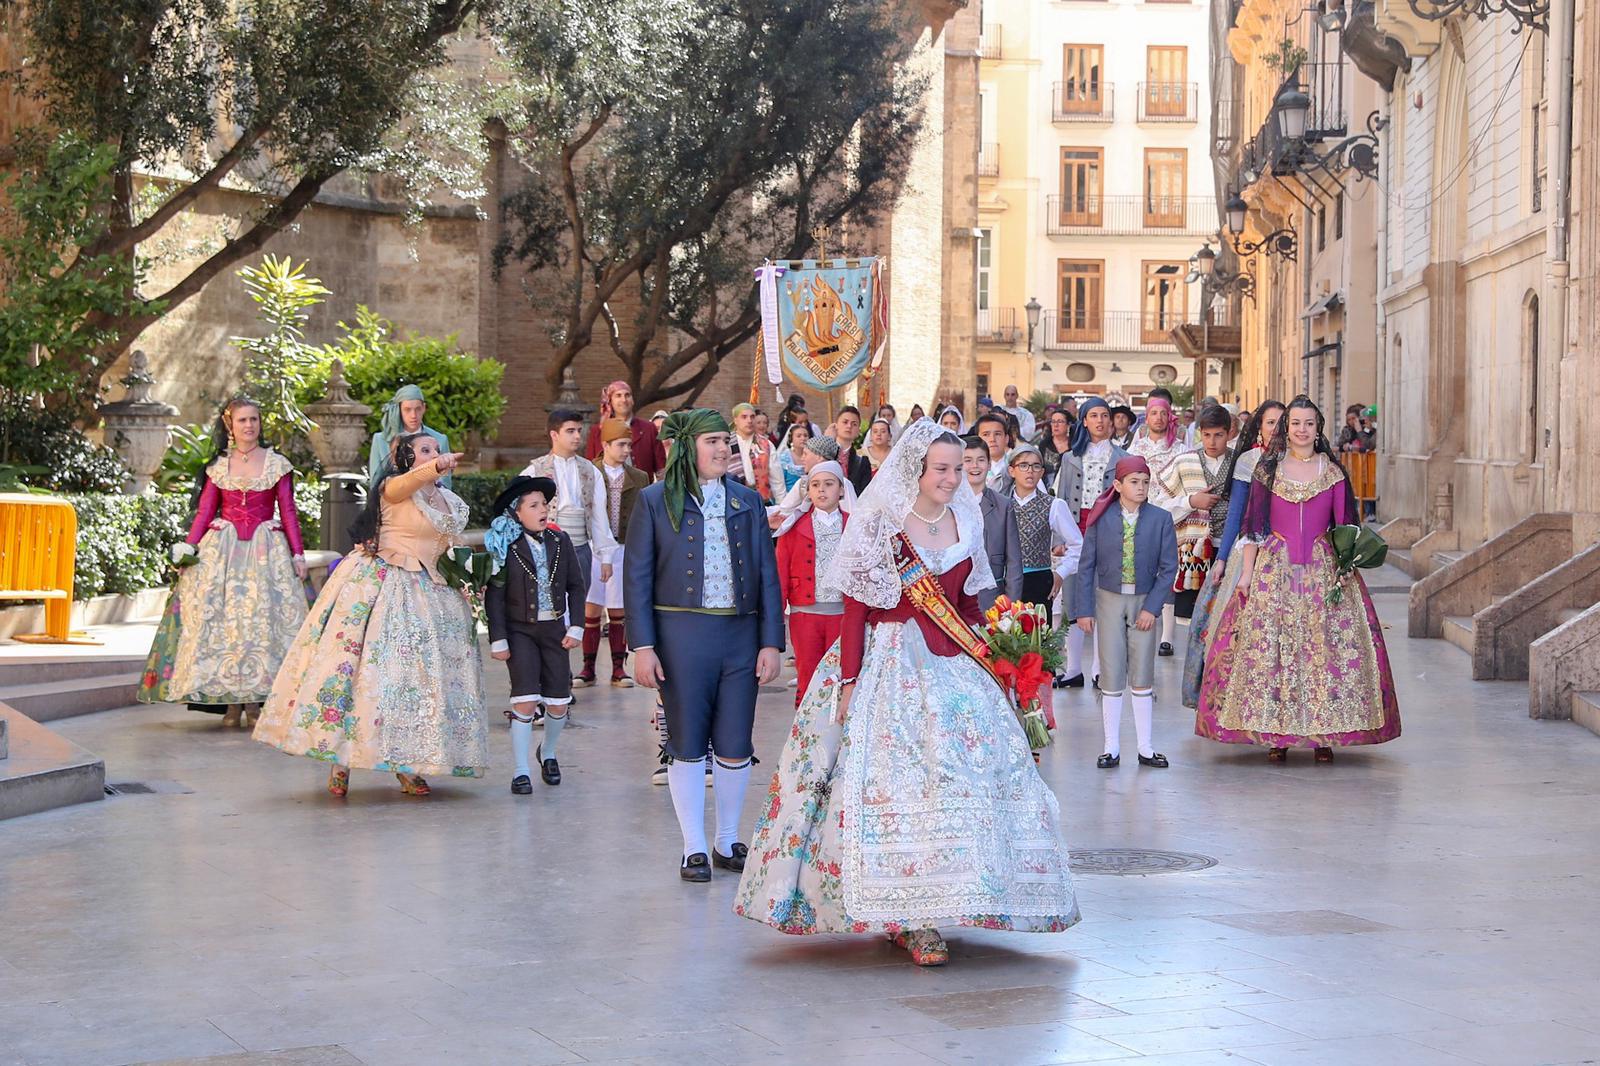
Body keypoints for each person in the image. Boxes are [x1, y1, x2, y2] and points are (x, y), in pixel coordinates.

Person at [733, 419, 1079, 966]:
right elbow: (855, 610)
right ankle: (906, 916)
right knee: (894, 785)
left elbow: (966, 605)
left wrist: (1000, 654)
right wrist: (848, 681)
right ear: (914, 471)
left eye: (956, 468)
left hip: (952, 665)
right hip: (886, 665)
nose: (951, 478)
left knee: (963, 779)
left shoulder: (964, 520)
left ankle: (957, 891)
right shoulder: (879, 524)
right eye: (940, 469)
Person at [255, 435, 485, 796]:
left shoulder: (444, 498)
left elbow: (449, 543)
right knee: (360, 673)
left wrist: (469, 576)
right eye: (425, 451)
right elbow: (405, 485)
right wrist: (433, 468)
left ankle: (407, 764)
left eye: (436, 450)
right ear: (407, 458)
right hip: (385, 585)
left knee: (414, 682)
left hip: (430, 592)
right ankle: (340, 760)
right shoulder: (394, 486)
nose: (434, 455)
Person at [625, 409, 784, 883]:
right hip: (679, 636)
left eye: (726, 443)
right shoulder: (655, 501)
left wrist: (771, 642)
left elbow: (766, 576)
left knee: (736, 742)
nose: (722, 450)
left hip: (740, 636)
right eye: (713, 441)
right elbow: (638, 578)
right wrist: (642, 646)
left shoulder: (748, 502)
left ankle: (727, 839)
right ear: (688, 447)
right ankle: (693, 845)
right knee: (688, 742)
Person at [1196, 396, 1401, 762]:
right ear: (1285, 429)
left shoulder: (1334, 473)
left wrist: (1347, 566)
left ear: (1317, 428)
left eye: (1309, 423)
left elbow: (1346, 528)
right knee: (1276, 648)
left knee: (1324, 648)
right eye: (1295, 423)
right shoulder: (1267, 472)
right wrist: (1245, 575)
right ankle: (1278, 734)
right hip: (1276, 569)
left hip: (1324, 569)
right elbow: (1254, 529)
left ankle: (1325, 735)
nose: (1302, 430)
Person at [139, 397, 308, 726]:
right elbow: (205, 511)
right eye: (243, 420)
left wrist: (298, 554)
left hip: (265, 550)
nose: (249, 425)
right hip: (223, 551)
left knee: (261, 625)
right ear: (230, 425)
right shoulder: (217, 465)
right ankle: (231, 704)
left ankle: (257, 701)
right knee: (224, 625)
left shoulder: (277, 464)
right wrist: (189, 549)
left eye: (254, 419)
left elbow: (288, 511)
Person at [1074, 456, 1179, 770]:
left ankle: (1145, 748)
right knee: (1111, 670)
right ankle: (1111, 747)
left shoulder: (1160, 519)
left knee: (1143, 672)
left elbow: (1168, 567)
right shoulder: (1100, 519)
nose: (1141, 487)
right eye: (1134, 481)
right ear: (1117, 485)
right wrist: (1084, 609)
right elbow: (1086, 566)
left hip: (1144, 601)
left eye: (1145, 482)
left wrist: (1152, 607)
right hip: (1108, 600)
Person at [1181, 400, 1283, 708]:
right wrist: (1223, 559)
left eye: (1282, 422)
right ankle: (1237, 698)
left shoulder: (1298, 461)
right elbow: (1238, 511)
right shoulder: (1248, 461)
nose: (1276, 429)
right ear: (1259, 428)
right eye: (1270, 423)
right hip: (1250, 550)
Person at [484, 476, 585, 790]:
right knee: (525, 700)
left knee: (558, 702)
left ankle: (549, 752)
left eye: (545, 504)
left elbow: (576, 587)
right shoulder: (506, 546)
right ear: (517, 513)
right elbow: (495, 595)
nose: (543, 509)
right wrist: (497, 637)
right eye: (534, 505)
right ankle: (520, 770)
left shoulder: (560, 541)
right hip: (519, 632)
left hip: (554, 629)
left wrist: (577, 625)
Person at [1052, 397, 1128, 688]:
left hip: (1107, 529)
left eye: (1104, 415)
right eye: (1093, 415)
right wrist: (1059, 538)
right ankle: (1073, 669)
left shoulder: (1122, 457)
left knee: (1102, 597)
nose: (1100, 421)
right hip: (1075, 528)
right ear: (1083, 421)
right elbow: (1060, 499)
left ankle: (1098, 668)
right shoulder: (1070, 458)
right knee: (1072, 598)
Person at [575, 420, 650, 688]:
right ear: (605, 445)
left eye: (629, 444)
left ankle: (619, 668)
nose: (626, 449)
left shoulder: (639, 477)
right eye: (620, 444)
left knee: (618, 608)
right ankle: (587, 668)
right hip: (594, 547)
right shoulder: (588, 471)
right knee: (591, 607)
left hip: (624, 548)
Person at [522, 409, 620, 603]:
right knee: (548, 605)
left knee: (577, 602)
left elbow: (599, 515)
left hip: (581, 547)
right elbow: (518, 511)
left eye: (579, 430)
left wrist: (606, 556)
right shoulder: (535, 470)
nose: (577, 436)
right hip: (546, 547)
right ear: (554, 434)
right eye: (570, 431)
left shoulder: (591, 471)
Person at [775, 460, 851, 704]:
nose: (821, 490)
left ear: (841, 489)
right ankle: (804, 734)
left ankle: (837, 734)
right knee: (808, 673)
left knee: (842, 675)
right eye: (815, 485)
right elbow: (781, 573)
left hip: (844, 615)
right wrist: (777, 619)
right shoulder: (794, 526)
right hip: (805, 614)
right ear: (807, 491)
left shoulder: (854, 525)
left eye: (829, 484)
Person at [1157, 405, 1233, 622]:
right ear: (1200, 433)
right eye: (1207, 435)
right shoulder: (1184, 462)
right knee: (1192, 621)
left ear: (1229, 433)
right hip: (1193, 551)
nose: (1212, 442)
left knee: (1225, 618)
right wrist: (1191, 501)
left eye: (1218, 435)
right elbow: (1159, 505)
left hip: (1229, 547)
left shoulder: (1239, 462)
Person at [1128, 395, 1191, 656]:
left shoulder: (1180, 449)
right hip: (1139, 517)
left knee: (1168, 574)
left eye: (1163, 413)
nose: (1158, 418)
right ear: (1147, 416)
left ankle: (1167, 637)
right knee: (1139, 571)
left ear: (1169, 417)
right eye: (1153, 413)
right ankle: (1138, 629)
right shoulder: (1136, 448)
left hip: (1172, 517)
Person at [1006, 444, 1081, 623]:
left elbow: (1078, 545)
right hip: (1006, 581)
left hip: (1038, 581)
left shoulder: (1053, 505)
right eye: (1023, 465)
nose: (1030, 471)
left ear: (1041, 472)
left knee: (1037, 642)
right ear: (1012, 470)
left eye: (1036, 466)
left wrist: (1061, 573)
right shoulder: (1001, 503)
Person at [963, 435, 1023, 612]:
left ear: (989, 464)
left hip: (991, 600)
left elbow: (1014, 562)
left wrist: (1011, 608)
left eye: (981, 460)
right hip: (954, 601)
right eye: (968, 460)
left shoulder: (1003, 506)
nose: (974, 466)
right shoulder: (947, 505)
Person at [367, 384, 451, 489]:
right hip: (393, 502)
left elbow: (446, 486)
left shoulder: (440, 440)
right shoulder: (381, 440)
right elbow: (375, 484)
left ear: (424, 408)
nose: (413, 415)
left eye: (418, 409)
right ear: (399, 410)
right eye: (407, 409)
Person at [584, 380, 667, 477]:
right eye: (618, 395)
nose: (624, 400)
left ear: (632, 400)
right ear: (610, 401)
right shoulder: (598, 431)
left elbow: (661, 468)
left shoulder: (648, 428)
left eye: (627, 395)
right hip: (606, 488)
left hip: (642, 489)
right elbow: (590, 466)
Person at [729, 402, 776, 503]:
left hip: (760, 499)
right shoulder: (726, 443)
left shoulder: (766, 444)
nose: (749, 420)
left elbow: (776, 478)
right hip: (733, 497)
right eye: (744, 417)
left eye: (752, 417)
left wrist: (781, 505)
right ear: (735, 420)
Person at [833, 406, 873, 494]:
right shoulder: (824, 454)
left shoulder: (862, 462)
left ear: (858, 431)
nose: (849, 426)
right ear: (836, 426)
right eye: (845, 422)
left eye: (854, 424)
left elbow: (864, 493)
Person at [974, 411, 1013, 492]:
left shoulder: (1017, 465)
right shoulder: (968, 468)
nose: (992, 439)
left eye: (997, 434)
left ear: (1006, 439)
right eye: (986, 434)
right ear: (977, 439)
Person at [1038, 407, 1077, 484]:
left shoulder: (1075, 445)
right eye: (1053, 422)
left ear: (1068, 425)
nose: (1056, 425)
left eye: (1060, 422)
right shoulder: (1044, 445)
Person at [773, 421, 812, 493]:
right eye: (799, 436)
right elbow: (779, 483)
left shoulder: (813, 456)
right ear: (791, 439)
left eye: (805, 435)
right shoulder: (784, 458)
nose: (803, 438)